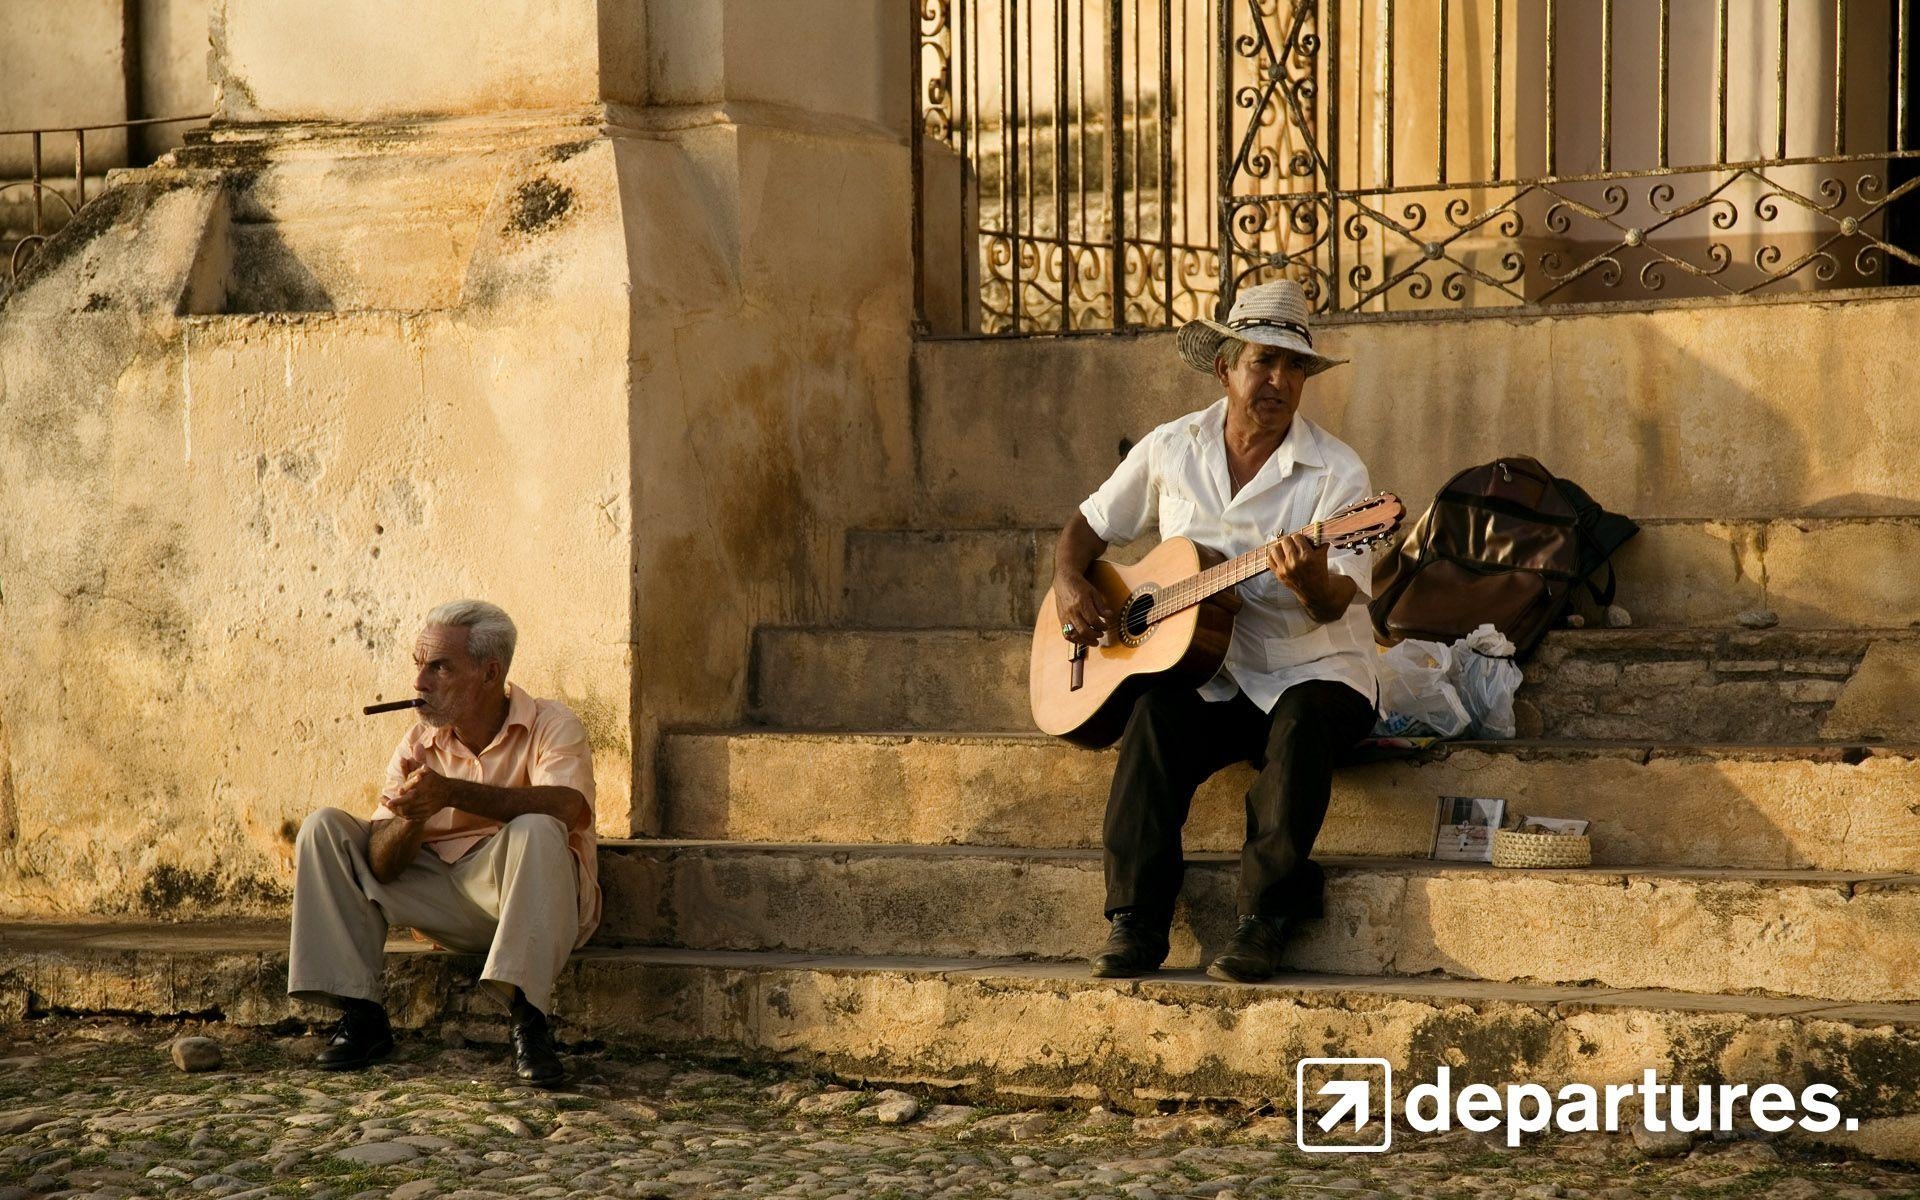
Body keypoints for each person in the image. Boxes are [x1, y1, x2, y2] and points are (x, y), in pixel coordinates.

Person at [1051, 279, 1379, 983]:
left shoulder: (1338, 476)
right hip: (1210, 676)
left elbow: (1334, 604)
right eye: (1263, 361)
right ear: (1222, 367)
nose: (1279, 380)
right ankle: (1135, 923)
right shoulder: (1172, 447)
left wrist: (1308, 579)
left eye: (1294, 367)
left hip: (1314, 673)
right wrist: (1071, 582)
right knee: (1151, 718)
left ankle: (1265, 920)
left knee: (1301, 721)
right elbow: (1088, 526)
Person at [287, 600, 600, 1085]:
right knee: (323, 828)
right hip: (442, 895)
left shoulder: (551, 723)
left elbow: (565, 807)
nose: (419, 682)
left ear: (489, 673)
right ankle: (362, 1014)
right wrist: (415, 817)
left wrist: (451, 791)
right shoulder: (417, 744)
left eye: (439, 667)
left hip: (521, 897)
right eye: (419, 664)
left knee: (539, 827)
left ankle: (529, 1022)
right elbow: (382, 867)